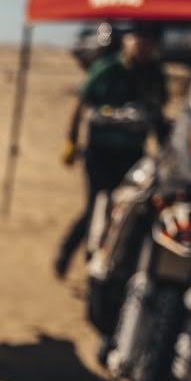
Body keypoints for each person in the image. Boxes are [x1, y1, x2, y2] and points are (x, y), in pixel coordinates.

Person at [55, 24, 167, 278]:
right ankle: (74, 255)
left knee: (128, 209)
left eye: (148, 41)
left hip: (132, 154)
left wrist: (163, 148)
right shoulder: (106, 69)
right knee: (97, 206)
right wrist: (71, 141)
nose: (142, 45)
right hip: (100, 152)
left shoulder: (154, 74)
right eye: (138, 39)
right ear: (126, 41)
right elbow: (80, 104)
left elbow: (158, 113)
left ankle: (118, 265)